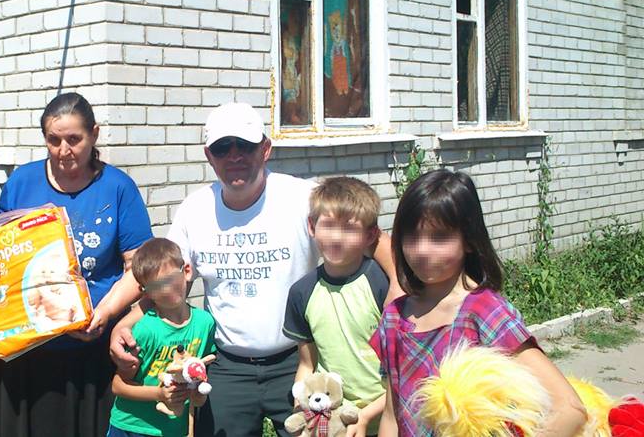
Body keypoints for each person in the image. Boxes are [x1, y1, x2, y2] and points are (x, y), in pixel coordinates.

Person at [110, 102, 398, 437]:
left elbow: (374, 238)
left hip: (299, 361)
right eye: (223, 148)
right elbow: (162, 276)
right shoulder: (195, 209)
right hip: (227, 366)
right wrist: (121, 320)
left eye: (244, 145)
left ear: (265, 149)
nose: (234, 156)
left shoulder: (301, 197)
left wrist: (397, 288)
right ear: (209, 156)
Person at [0, 92, 153, 437]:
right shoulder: (22, 182)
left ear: (94, 134)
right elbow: (2, 252)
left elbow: (139, 268)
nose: (64, 150)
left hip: (91, 353)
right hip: (26, 351)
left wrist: (105, 313)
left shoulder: (117, 188)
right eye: (53, 140)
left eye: (74, 139)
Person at [370, 169, 587, 436]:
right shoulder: (395, 317)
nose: (422, 250)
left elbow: (570, 408)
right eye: (412, 236)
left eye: (439, 237)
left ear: (469, 241)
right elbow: (392, 416)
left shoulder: (485, 312)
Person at [282, 177, 387, 437]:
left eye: (350, 229)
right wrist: (301, 409)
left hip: (386, 419)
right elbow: (307, 364)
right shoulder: (301, 292)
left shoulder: (382, 283)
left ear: (370, 235)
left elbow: (404, 367)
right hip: (331, 423)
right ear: (312, 226)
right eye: (328, 225)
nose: (336, 238)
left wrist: (366, 416)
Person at [108, 238, 217, 437]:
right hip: (132, 426)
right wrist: (158, 394)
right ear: (145, 292)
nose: (166, 289)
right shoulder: (145, 330)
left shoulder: (205, 323)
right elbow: (118, 385)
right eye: (156, 286)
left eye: (170, 279)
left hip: (174, 429)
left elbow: (199, 372)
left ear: (186, 271)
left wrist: (197, 392)